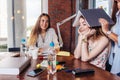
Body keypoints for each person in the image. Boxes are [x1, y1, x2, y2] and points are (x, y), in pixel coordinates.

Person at [99, 0, 120, 74]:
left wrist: (107, 31)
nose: (118, 4)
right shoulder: (117, 15)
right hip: (113, 57)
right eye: (117, 2)